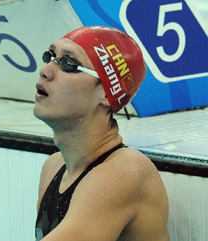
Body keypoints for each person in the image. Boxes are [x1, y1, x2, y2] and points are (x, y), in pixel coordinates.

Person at [33, 26, 169, 241]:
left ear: (107, 92)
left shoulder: (122, 173)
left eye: (69, 64)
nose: (46, 70)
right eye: (51, 56)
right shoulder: (54, 167)